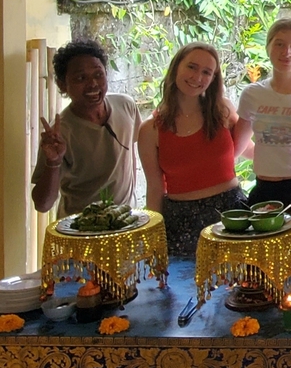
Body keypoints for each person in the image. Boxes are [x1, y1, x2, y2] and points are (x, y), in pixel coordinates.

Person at [138, 43, 247, 256]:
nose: (197, 77)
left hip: (232, 214)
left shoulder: (223, 111)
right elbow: (154, 188)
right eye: (192, 67)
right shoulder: (150, 129)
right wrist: (152, 237)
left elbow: (246, 146)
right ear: (176, 67)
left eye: (206, 72)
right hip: (181, 220)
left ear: (213, 79)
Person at [32, 40, 140, 216]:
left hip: (125, 225)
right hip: (82, 232)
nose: (93, 84)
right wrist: (53, 162)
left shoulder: (126, 106)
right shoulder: (59, 135)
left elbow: (129, 156)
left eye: (98, 74)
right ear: (62, 85)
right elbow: (42, 204)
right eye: (81, 78)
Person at [233, 19, 291, 209]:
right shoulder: (253, 94)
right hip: (264, 189)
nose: (286, 52)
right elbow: (237, 147)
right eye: (279, 44)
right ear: (268, 48)